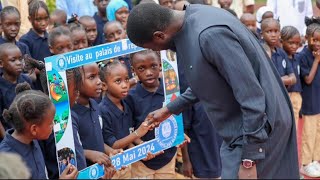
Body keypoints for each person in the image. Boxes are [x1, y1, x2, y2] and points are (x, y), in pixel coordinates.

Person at [126, 3, 299, 178]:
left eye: (154, 47)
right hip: (244, 130)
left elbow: (251, 97)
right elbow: (209, 79)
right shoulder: (193, 18)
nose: (158, 51)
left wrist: (250, 158)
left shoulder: (210, 35)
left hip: (259, 130)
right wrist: (169, 109)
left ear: (159, 35)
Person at [0, 82, 78, 179]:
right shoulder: (6, 161)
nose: (53, 126)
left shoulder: (32, 139)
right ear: (34, 129)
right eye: (50, 123)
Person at [99, 59, 155, 178]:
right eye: (118, 81)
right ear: (104, 85)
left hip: (127, 163)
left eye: (126, 79)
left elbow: (127, 134)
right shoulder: (103, 110)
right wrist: (137, 134)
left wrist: (143, 147)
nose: (125, 85)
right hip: (113, 169)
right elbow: (113, 145)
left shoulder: (126, 103)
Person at [126, 50, 177, 179]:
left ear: (160, 65)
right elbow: (129, 129)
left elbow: (177, 119)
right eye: (141, 68)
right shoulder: (130, 97)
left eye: (153, 66)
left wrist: (180, 133)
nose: (148, 72)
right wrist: (141, 146)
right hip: (141, 160)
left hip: (168, 157)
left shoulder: (170, 89)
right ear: (134, 70)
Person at [66, 67, 116, 178]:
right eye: (91, 77)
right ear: (77, 82)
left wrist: (110, 151)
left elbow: (96, 138)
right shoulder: (70, 114)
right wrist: (89, 154)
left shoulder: (94, 105)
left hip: (100, 171)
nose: (99, 81)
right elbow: (68, 150)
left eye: (99, 76)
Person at [38, 26, 74, 179]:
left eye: (69, 47)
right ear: (52, 49)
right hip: (58, 121)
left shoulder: (78, 67)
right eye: (61, 48)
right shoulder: (49, 73)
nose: (65, 52)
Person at [298, 17, 320, 178]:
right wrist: (317, 60)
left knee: (318, 132)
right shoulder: (304, 55)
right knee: (309, 133)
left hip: (319, 100)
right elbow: (308, 79)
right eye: (315, 40)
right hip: (310, 101)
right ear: (307, 39)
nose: (318, 43)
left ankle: (316, 160)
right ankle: (306, 163)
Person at [0, 43, 33, 140]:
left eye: (20, 59)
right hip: (11, 136)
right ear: (1, 64)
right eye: (13, 60)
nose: (19, 63)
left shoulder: (26, 80)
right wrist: (8, 140)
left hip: (31, 133)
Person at [20, 0, 51, 92]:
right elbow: (28, 69)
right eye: (38, 19)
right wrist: (47, 68)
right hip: (36, 88)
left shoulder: (50, 37)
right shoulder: (25, 40)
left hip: (53, 84)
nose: (43, 23)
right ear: (30, 19)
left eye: (46, 18)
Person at [260, 18, 297, 87]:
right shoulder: (260, 51)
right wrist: (285, 79)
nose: (273, 35)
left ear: (279, 33)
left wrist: (279, 80)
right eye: (269, 31)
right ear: (262, 34)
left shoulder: (282, 53)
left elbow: (293, 78)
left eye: (276, 31)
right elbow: (266, 79)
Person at [281, 26, 302, 132]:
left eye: (297, 43)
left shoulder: (297, 57)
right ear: (282, 41)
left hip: (297, 95)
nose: (294, 46)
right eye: (291, 43)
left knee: (295, 127)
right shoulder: (280, 57)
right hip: (286, 95)